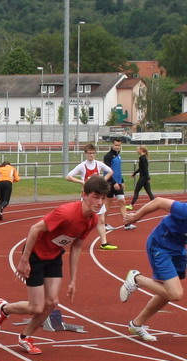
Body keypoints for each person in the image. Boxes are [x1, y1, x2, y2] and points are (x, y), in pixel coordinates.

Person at [0, 176, 111, 354]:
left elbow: (77, 246)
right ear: (84, 195)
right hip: (36, 254)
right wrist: (24, 259)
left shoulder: (92, 220)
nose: (99, 202)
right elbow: (34, 229)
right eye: (95, 197)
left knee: (52, 302)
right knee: (36, 307)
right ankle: (3, 308)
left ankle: (25, 337)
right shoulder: (66, 213)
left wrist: (73, 280)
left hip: (54, 255)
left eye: (103, 198)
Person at [119, 197, 187, 342]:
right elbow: (159, 202)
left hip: (178, 249)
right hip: (160, 247)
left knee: (166, 291)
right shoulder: (184, 210)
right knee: (175, 294)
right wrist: (135, 217)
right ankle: (137, 278)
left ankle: (136, 324)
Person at [66, 143, 117, 250]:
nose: (91, 155)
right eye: (89, 153)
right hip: (87, 197)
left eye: (93, 153)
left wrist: (102, 180)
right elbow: (68, 176)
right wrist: (82, 182)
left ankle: (104, 243)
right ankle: (72, 238)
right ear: (85, 153)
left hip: (98, 196)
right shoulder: (82, 166)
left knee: (101, 220)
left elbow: (110, 171)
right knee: (82, 219)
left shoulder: (98, 164)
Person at [103, 139, 135, 231]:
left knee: (122, 202)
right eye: (116, 145)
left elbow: (118, 170)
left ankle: (127, 223)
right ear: (112, 145)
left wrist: (122, 181)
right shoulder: (108, 156)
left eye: (119, 145)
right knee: (108, 203)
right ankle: (103, 223)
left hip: (118, 183)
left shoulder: (118, 156)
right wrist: (114, 183)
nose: (117, 147)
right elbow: (107, 171)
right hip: (110, 183)